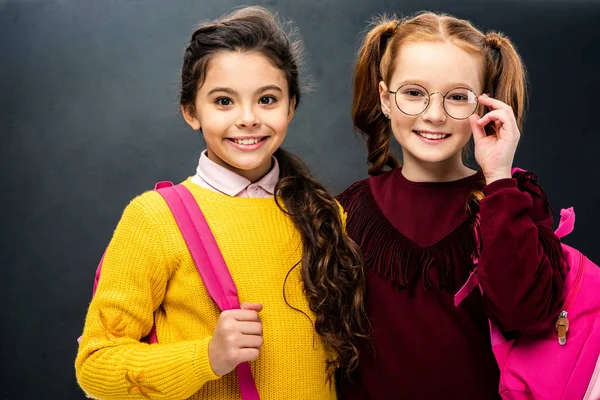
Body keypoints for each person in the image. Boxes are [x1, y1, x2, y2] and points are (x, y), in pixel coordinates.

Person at [75, 6, 366, 399]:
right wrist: (206, 357)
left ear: (291, 106)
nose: (247, 118)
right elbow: (95, 365)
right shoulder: (154, 220)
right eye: (224, 102)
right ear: (191, 111)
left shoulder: (327, 215)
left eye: (267, 99)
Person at [337, 11, 565, 399]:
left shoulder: (511, 200)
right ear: (385, 99)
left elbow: (524, 314)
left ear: (484, 107)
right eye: (413, 93)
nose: (434, 114)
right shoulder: (348, 211)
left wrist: (498, 178)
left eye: (458, 97)